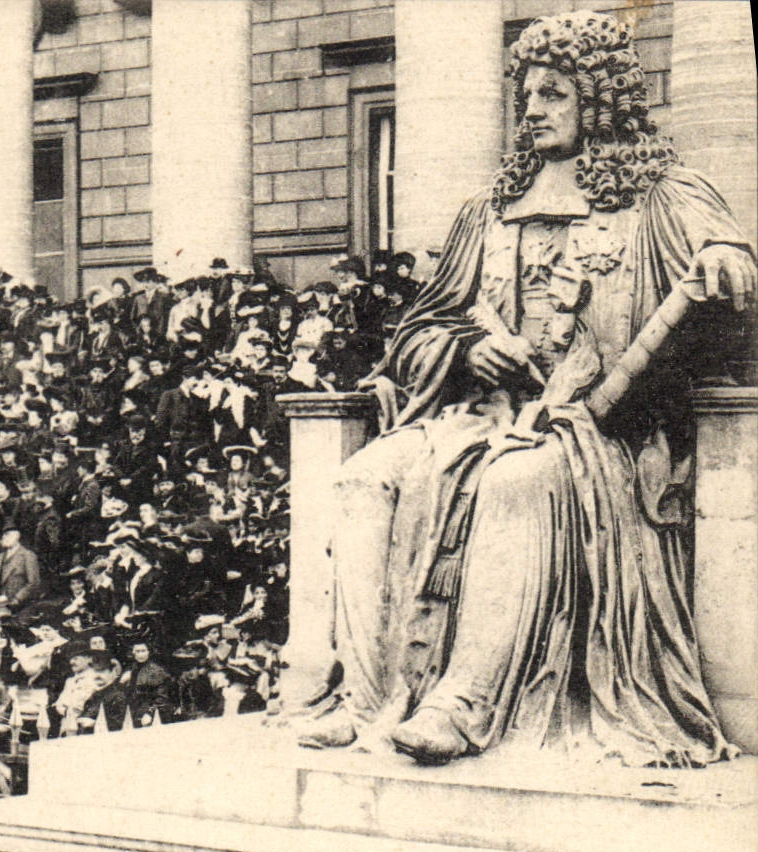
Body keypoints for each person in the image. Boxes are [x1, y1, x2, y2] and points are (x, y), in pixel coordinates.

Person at [297, 10, 754, 767]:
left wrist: (727, 259)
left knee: (517, 480)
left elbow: (728, 260)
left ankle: (464, 702)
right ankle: (367, 701)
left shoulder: (663, 197)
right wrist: (468, 349)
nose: (533, 110)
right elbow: (414, 334)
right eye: (527, 95)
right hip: (481, 416)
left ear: (599, 101)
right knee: (364, 476)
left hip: (597, 436)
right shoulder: (488, 210)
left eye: (553, 94)